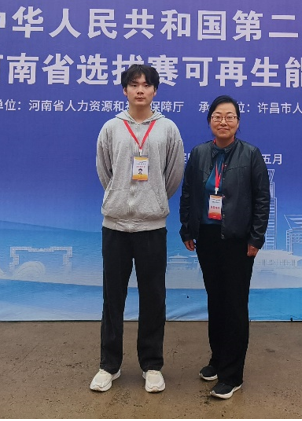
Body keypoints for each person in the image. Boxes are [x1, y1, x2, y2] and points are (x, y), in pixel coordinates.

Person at [91, 64, 185, 393]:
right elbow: (105, 172)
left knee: (153, 298)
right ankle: (109, 366)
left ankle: (152, 365)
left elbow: (173, 174)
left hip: (151, 228)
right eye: (134, 84)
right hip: (115, 227)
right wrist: (120, 198)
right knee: (112, 298)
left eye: (146, 85)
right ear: (125, 90)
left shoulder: (167, 129)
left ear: (155, 91)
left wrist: (153, 200)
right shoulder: (111, 128)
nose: (140, 90)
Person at [179, 95, 270, 400]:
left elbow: (262, 199)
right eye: (218, 116)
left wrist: (256, 238)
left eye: (230, 116)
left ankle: (233, 375)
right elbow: (188, 193)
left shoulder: (251, 154)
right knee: (216, 301)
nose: (223, 122)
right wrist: (187, 228)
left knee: (234, 305)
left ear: (238, 122)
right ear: (209, 121)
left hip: (237, 241)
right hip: (206, 237)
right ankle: (217, 360)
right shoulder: (199, 153)